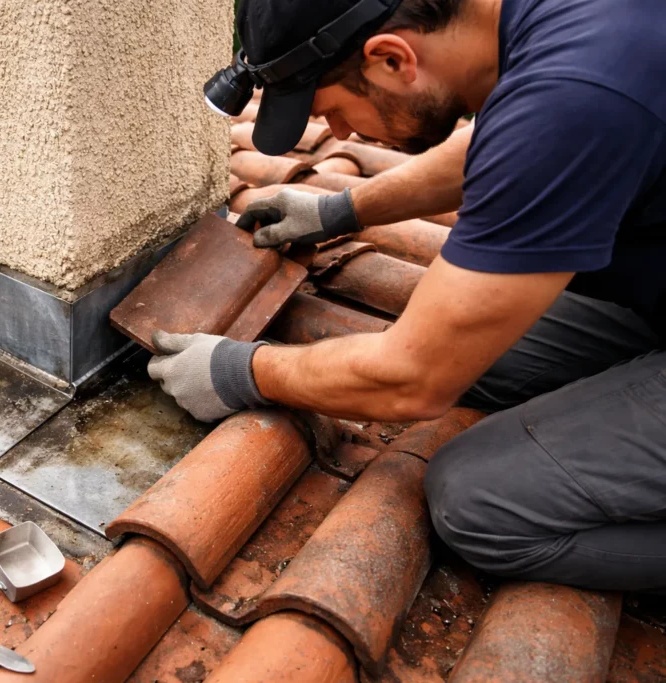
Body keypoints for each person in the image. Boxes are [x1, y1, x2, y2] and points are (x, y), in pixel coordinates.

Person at [148, 0, 666, 592]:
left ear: (391, 58)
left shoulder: (580, 92)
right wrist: (342, 208)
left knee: (478, 503)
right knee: (489, 356)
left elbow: (414, 377)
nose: (336, 135)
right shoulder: (539, 27)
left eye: (334, 113)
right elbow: (501, 145)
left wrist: (244, 371)